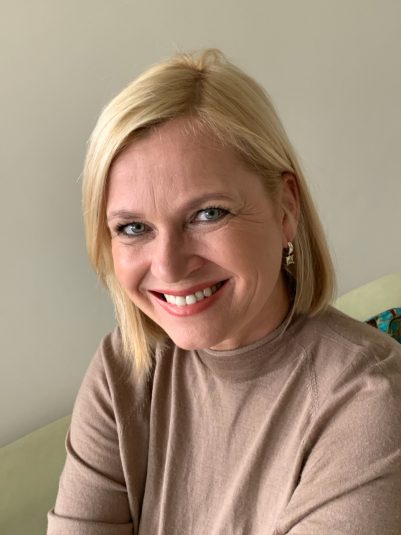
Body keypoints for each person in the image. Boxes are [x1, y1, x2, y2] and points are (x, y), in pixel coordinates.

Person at [47, 49, 401, 534]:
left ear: (285, 208)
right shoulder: (123, 368)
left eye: (208, 214)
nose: (169, 266)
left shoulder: (370, 399)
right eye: (133, 227)